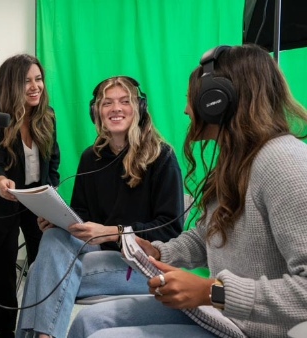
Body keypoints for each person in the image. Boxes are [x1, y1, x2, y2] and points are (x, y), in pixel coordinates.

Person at [67, 44, 307, 338]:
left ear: (217, 102)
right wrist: (157, 250)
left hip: (255, 328)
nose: (186, 109)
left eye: (192, 99)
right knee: (89, 321)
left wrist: (213, 291)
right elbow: (209, 237)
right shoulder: (236, 160)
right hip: (222, 313)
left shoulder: (285, 163)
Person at [16, 76, 184, 338]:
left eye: (124, 101)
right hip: (93, 254)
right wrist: (58, 219)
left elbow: (170, 230)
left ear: (139, 108)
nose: (115, 108)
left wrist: (111, 232)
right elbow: (82, 216)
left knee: (41, 273)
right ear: (97, 112)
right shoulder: (90, 156)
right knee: (52, 237)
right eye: (107, 103)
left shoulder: (162, 157)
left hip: (140, 264)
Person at [0, 54, 60, 338]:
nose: (36, 87)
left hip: (36, 200)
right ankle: (4, 331)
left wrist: (51, 191)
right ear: (12, 85)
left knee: (43, 260)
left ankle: (39, 324)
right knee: (3, 266)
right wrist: (0, 182)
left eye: (38, 79)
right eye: (27, 81)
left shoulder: (48, 116)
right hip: (2, 199)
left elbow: (53, 160)